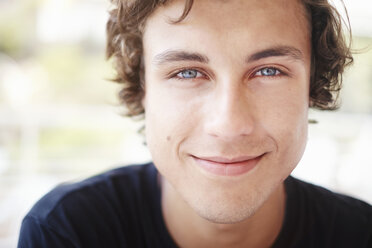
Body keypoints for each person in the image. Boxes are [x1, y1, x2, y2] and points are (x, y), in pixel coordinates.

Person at [18, 0, 372, 247]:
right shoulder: (67, 231)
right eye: (187, 72)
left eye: (268, 71)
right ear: (143, 89)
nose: (229, 124)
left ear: (311, 86)